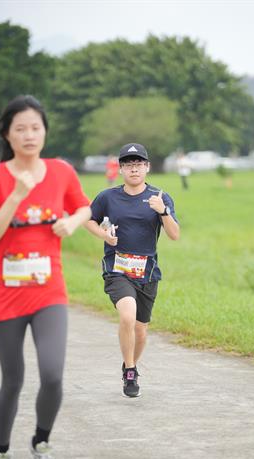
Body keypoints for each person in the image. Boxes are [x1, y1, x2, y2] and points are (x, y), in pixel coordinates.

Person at [0, 95, 91, 459]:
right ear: (6, 134)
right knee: (12, 379)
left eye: (36, 127)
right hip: (4, 292)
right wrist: (17, 193)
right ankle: (0, 453)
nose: (30, 135)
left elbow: (85, 207)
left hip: (49, 290)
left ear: (45, 130)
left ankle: (41, 442)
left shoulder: (62, 171)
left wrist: (74, 221)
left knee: (52, 375)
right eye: (21, 128)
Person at [85, 143, 180, 398]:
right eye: (128, 164)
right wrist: (104, 235)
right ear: (121, 169)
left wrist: (164, 212)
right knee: (127, 315)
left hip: (147, 272)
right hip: (117, 268)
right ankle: (129, 371)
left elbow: (174, 235)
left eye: (138, 164)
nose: (134, 169)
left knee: (140, 329)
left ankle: (131, 363)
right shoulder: (108, 197)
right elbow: (88, 219)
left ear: (147, 167)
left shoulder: (160, 197)